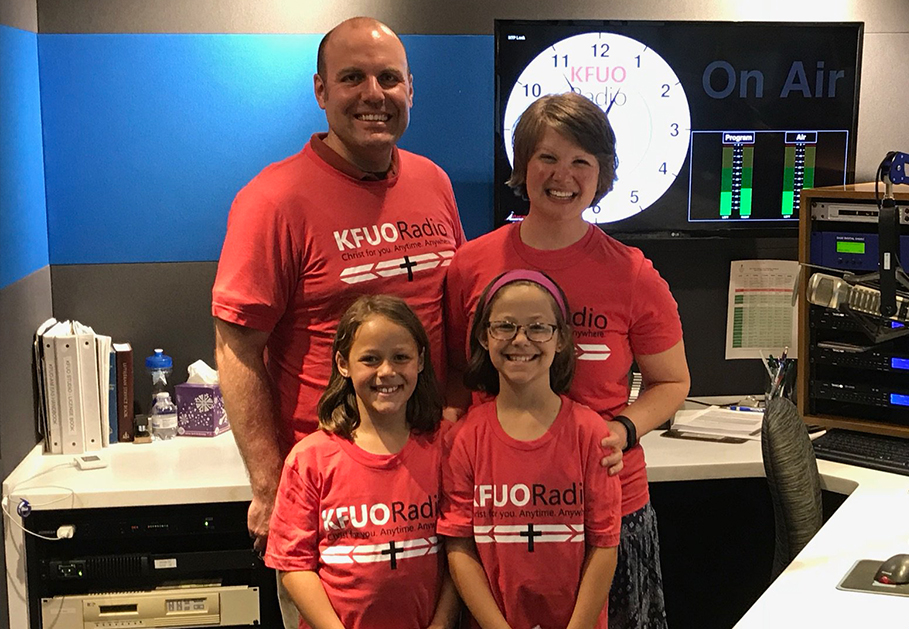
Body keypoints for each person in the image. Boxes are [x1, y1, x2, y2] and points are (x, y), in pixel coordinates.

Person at [212, 15, 465, 559]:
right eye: (353, 78)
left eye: (389, 79)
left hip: (432, 471)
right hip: (330, 486)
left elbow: (455, 315)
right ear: (321, 91)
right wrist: (266, 482)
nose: (374, 95)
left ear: (410, 90)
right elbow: (237, 348)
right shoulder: (273, 200)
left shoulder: (434, 182)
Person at [444, 92, 690, 628]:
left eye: (582, 161)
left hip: (610, 508)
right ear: (523, 167)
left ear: (601, 173)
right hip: (500, 512)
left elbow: (671, 382)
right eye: (547, 158)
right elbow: (454, 381)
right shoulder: (471, 265)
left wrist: (623, 429)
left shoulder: (631, 273)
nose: (564, 174)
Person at [439, 270, 621, 629]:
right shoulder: (464, 439)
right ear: (483, 336)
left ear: (562, 339)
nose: (520, 340)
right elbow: (459, 548)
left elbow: (604, 545)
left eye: (538, 327)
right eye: (505, 326)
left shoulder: (590, 433)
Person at [266, 295, 458, 629]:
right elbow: (293, 566)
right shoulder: (311, 459)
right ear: (343, 364)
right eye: (370, 359)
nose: (387, 372)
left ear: (421, 360)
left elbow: (459, 550)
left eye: (401, 357)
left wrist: (441, 625)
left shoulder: (446, 445)